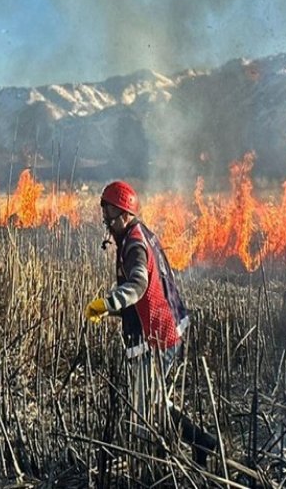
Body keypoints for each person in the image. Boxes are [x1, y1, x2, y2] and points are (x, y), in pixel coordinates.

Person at [84, 180, 216, 467]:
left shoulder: (134, 243)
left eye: (109, 214)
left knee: (144, 408)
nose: (106, 221)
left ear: (124, 214)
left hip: (157, 335)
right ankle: (202, 442)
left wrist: (109, 303)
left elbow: (139, 284)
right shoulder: (136, 234)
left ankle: (143, 464)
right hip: (162, 328)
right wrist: (115, 311)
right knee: (153, 401)